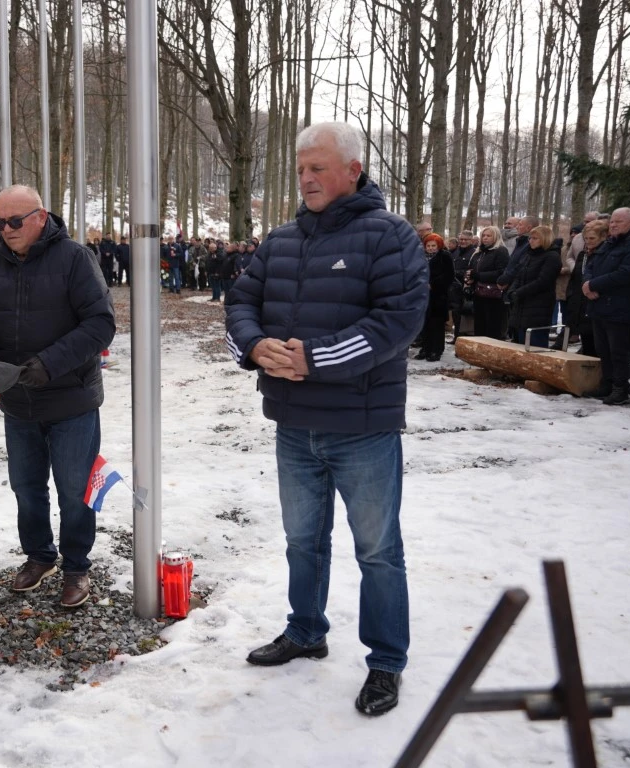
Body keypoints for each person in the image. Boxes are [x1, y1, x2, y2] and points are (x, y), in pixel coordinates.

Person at [225, 122, 427, 717]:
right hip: (294, 425)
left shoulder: (390, 236)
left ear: (353, 171)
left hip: (362, 427)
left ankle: (386, 661)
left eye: (318, 168)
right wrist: (255, 347)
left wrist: (315, 359)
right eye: (300, 169)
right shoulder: (282, 240)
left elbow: (398, 321)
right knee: (302, 542)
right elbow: (242, 301)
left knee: (378, 551)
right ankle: (306, 630)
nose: (306, 178)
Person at [0, 185, 116, 608]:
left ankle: (76, 566)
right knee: (27, 488)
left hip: (71, 401)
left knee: (73, 489)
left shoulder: (75, 258)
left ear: (40, 216)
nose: (6, 230)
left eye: (14, 221)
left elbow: (100, 324)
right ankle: (39, 555)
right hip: (18, 401)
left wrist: (48, 364)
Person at [583, 207, 630, 404]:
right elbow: (591, 264)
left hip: (621, 306)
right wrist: (587, 284)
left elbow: (627, 273)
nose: (614, 225)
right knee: (603, 348)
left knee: (618, 350)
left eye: (619, 221)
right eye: (612, 222)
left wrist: (594, 285)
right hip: (599, 304)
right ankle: (607, 384)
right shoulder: (609, 242)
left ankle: (620, 387)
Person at [505, 225, 562, 348]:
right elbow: (518, 275)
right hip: (522, 305)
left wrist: (519, 292)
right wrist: (512, 291)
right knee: (521, 345)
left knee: (535, 345)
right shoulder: (529, 255)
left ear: (544, 239)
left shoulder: (552, 257)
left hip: (539, 306)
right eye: (530, 238)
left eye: (535, 238)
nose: (531, 241)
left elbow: (543, 281)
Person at [565, 219, 608, 357]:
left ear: (603, 237)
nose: (588, 241)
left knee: (599, 348)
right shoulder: (583, 255)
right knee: (587, 345)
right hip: (580, 306)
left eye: (592, 238)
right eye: (586, 238)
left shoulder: (606, 255)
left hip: (597, 305)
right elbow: (576, 279)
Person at [464, 226, 510, 340]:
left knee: (492, 327)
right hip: (478, 293)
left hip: (493, 295)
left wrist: (479, 275)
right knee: (479, 326)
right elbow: (471, 268)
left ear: (495, 236)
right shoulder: (479, 252)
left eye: (488, 236)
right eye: (483, 236)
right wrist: (469, 277)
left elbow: (502, 272)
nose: (485, 238)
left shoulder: (501, 251)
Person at [417, 234, 455, 361]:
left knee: (436, 324)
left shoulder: (445, 256)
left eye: (434, 245)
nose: (431, 248)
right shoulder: (421, 256)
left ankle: (436, 350)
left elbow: (449, 275)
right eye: (428, 246)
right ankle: (425, 348)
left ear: (439, 245)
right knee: (425, 324)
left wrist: (433, 284)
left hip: (438, 295)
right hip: (423, 295)